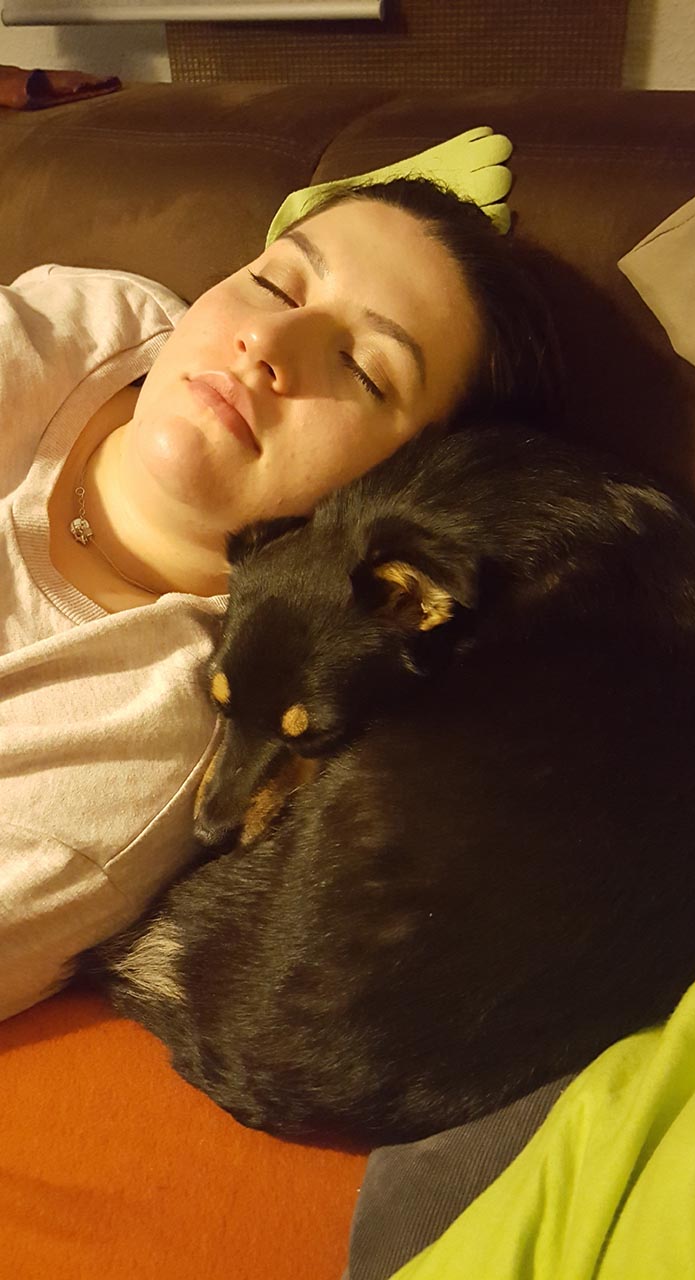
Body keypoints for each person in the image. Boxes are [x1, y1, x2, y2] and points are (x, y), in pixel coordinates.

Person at [0, 173, 560, 1022]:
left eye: (362, 369)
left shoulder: (142, 743)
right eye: (275, 284)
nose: (266, 339)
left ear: (403, 480)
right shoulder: (97, 320)